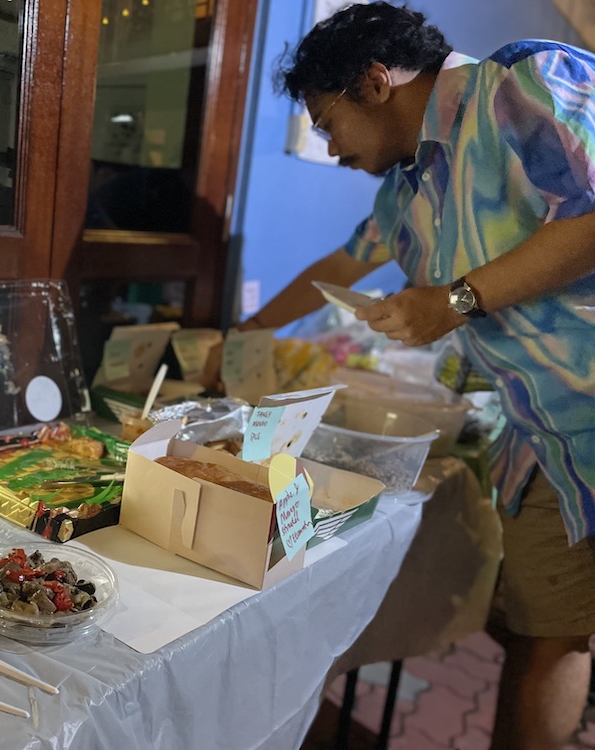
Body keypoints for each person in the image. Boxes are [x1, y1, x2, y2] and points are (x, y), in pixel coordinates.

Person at [239, 4, 595, 748]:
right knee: (549, 634)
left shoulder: (519, 86)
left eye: (326, 123)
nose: (330, 148)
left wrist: (458, 300)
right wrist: (240, 335)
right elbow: (338, 268)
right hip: (543, 444)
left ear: (374, 83)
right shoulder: (404, 197)